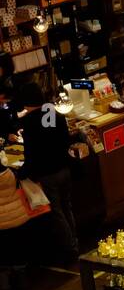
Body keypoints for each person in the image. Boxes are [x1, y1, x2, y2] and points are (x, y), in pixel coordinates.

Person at [15, 82, 78, 261]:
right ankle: (74, 241)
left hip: (48, 174)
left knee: (57, 211)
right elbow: (65, 140)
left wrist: (23, 173)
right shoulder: (53, 112)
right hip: (64, 168)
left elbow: (31, 153)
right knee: (67, 207)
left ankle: (70, 249)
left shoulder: (29, 122)